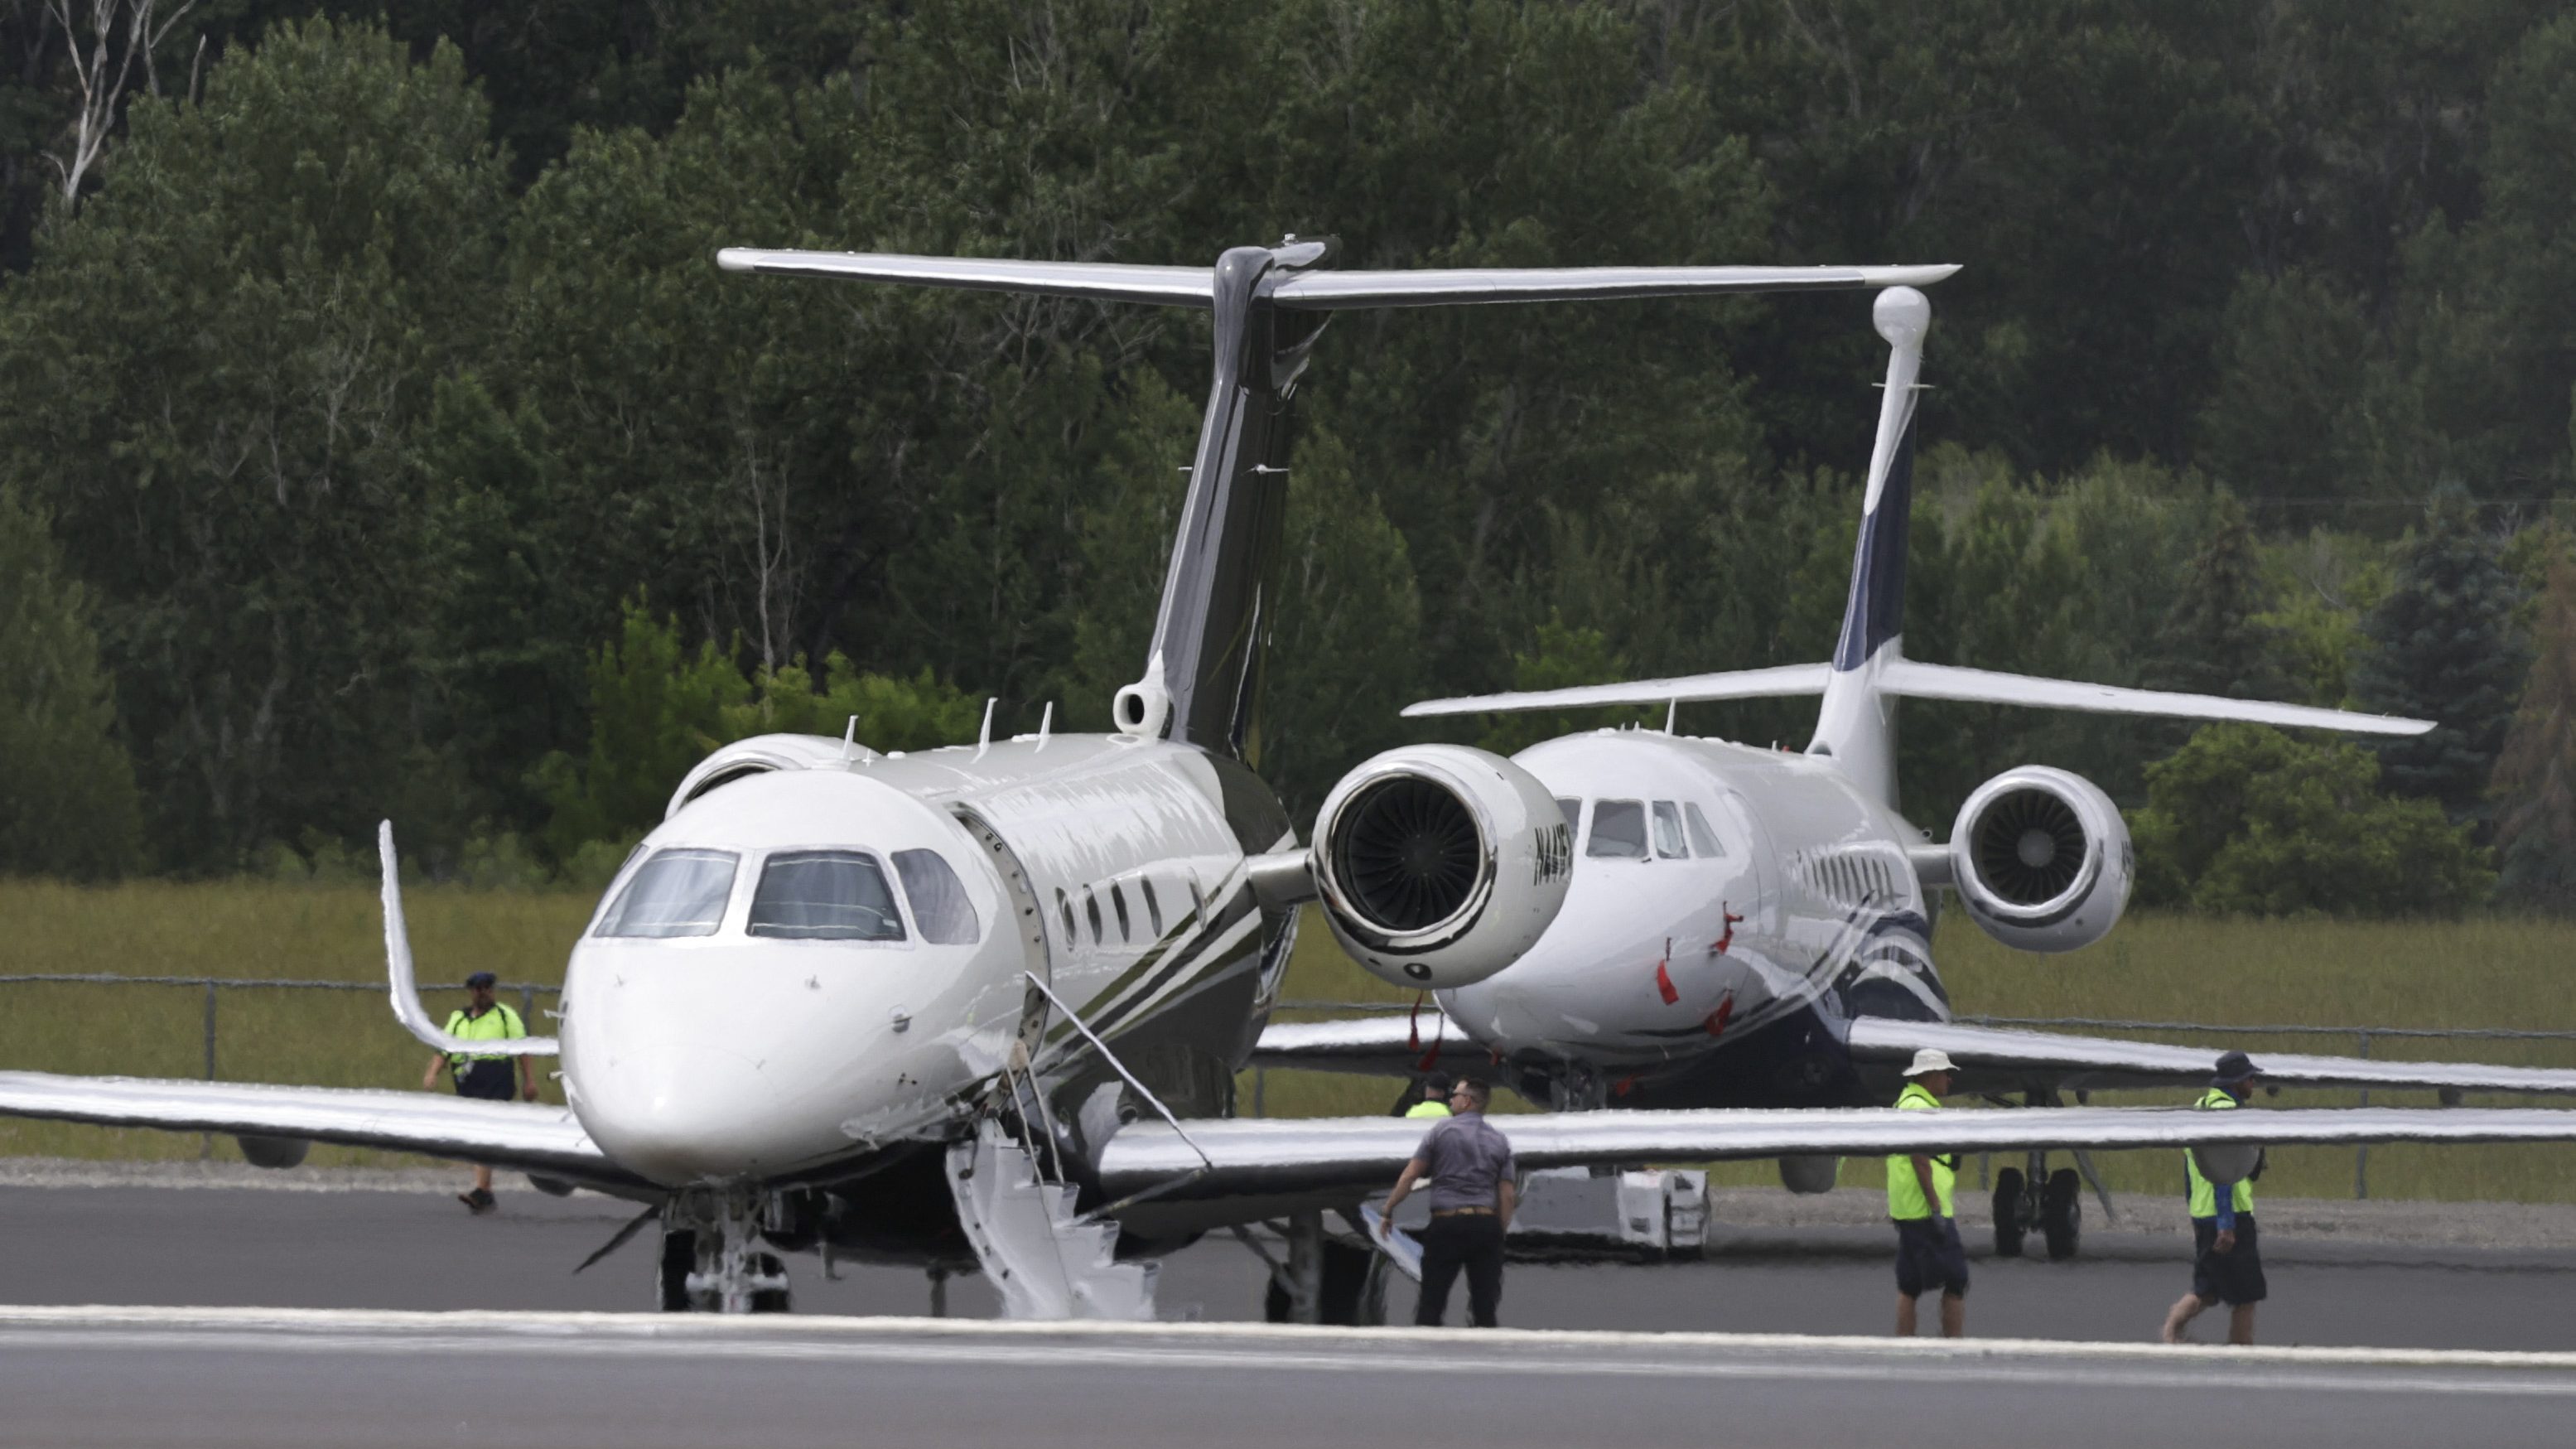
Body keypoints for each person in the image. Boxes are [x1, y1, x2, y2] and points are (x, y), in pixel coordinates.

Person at [1376, 1077, 1516, 1327]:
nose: (1450, 1098)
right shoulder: (1499, 1140)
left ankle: (1428, 1356)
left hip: (1447, 1224)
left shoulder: (1440, 1132)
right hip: (1485, 1223)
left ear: (1467, 1101)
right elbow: (1507, 1194)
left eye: (1456, 1094)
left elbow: (1410, 1175)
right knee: (1485, 1306)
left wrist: (1388, 1210)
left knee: (1432, 1302)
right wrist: (1499, 1232)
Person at [2162, 1051, 2268, 1345]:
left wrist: (2194, 1212)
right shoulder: (2228, 1115)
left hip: (2202, 1213)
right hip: (2231, 1215)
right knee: (2247, 1295)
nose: (2254, 1083)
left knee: (2208, 1288)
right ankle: (2241, 1351)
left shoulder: (2199, 1108)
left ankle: (2172, 1332)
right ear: (2237, 1082)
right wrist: (2226, 1223)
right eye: (2250, 1078)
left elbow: (2189, 1169)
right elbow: (2224, 1173)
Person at [421, 970, 539, 1214]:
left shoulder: (506, 1016)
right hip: (468, 1079)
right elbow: (444, 1049)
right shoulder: (458, 1019)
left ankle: (483, 1190)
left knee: (483, 1134)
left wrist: (529, 1081)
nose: (483, 992)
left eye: (487, 987)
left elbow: (522, 1050)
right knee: (476, 1135)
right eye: (478, 988)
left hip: (496, 1079)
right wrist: (433, 1073)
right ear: (471, 991)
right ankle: (485, 1191)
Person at [1887, 1047, 1966, 1338]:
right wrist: (1935, 1208)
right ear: (1930, 1075)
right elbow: (1920, 1160)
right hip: (1924, 1210)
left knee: (1909, 1285)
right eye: (1946, 1073)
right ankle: (1954, 1349)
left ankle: (1903, 1347)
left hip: (1906, 1208)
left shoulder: (1905, 1102)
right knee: (1957, 1280)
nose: (1950, 1080)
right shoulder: (1920, 1108)